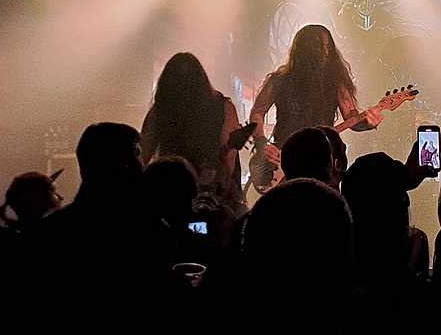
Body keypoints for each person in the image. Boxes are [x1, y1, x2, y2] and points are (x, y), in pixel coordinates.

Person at [248, 25, 382, 187]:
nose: (325, 52)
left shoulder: (336, 82)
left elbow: (351, 117)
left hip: (321, 157)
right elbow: (257, 112)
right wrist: (262, 143)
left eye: (327, 47)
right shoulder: (280, 80)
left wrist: (368, 122)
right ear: (305, 50)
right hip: (284, 156)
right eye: (319, 47)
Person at [141, 52, 243, 210]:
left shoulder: (160, 109)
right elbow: (229, 154)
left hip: (170, 187)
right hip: (211, 190)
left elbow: (144, 152)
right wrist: (223, 185)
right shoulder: (223, 107)